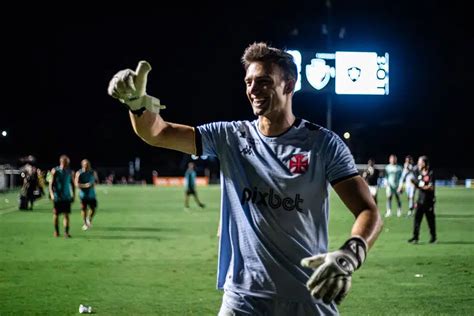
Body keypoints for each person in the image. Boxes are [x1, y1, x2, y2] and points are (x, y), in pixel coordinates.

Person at [108, 42, 382, 315]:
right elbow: (158, 133)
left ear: (289, 86)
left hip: (307, 294)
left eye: (263, 82)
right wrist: (137, 104)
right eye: (249, 82)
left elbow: (368, 211)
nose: (253, 90)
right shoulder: (230, 137)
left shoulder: (324, 144)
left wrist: (351, 253)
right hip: (242, 297)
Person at [408, 156, 437, 244]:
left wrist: (420, 185)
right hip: (420, 201)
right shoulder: (419, 173)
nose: (418, 164)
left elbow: (431, 187)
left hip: (429, 201)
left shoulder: (431, 173)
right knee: (417, 219)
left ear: (424, 163)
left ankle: (433, 237)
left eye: (419, 163)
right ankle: (415, 237)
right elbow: (417, 185)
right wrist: (415, 183)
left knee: (430, 220)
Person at [50, 155, 75, 238]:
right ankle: (56, 231)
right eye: (64, 162)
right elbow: (51, 185)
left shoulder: (70, 172)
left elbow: (72, 184)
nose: (66, 164)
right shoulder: (55, 171)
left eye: (67, 162)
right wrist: (52, 195)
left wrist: (73, 195)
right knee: (56, 214)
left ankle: (66, 233)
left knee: (66, 215)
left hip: (67, 197)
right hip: (57, 197)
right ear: (61, 162)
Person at [75, 159, 99, 230]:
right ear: (82, 165)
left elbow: (96, 181)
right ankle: (85, 223)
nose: (87, 166)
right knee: (84, 209)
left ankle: (89, 219)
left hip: (92, 194)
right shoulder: (79, 173)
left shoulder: (92, 172)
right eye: (85, 165)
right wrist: (85, 185)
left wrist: (94, 183)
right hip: (83, 195)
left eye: (88, 165)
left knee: (93, 209)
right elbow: (76, 184)